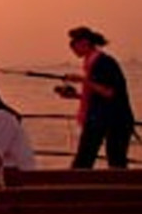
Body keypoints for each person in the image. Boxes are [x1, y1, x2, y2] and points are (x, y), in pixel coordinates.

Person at [58, 26, 136, 169]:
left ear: (85, 43)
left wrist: (83, 80)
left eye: (73, 43)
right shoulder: (91, 63)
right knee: (84, 159)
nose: (72, 48)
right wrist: (75, 95)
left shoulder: (104, 62)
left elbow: (109, 92)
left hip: (116, 120)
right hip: (98, 118)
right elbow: (98, 96)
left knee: (114, 161)